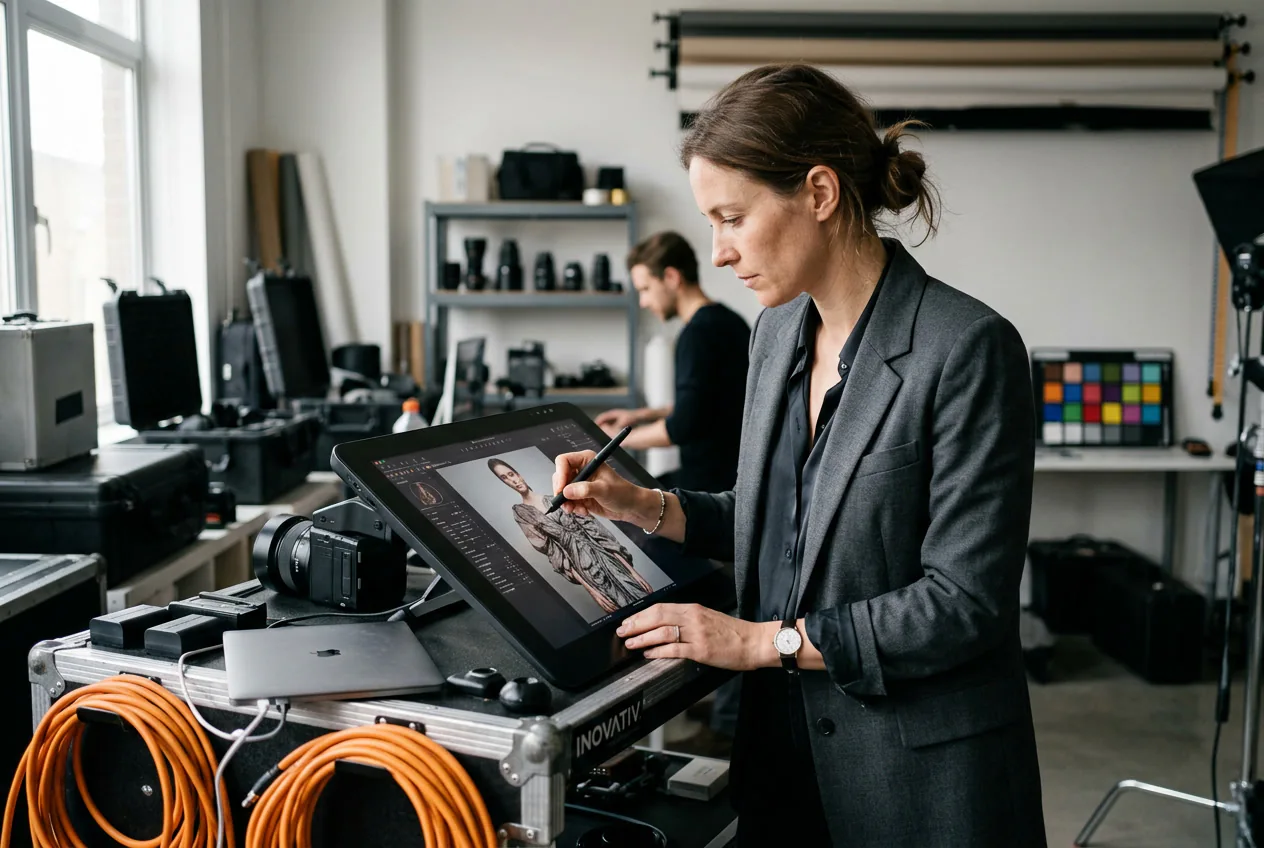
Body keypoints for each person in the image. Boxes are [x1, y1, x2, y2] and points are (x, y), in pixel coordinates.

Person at [552, 63, 1045, 847]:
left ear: (819, 194)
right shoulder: (777, 333)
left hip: (913, 777)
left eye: (732, 218)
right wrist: (646, 505)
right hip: (780, 751)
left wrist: (758, 642)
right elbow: (784, 523)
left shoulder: (966, 349)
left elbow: (965, 603)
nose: (716, 253)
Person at [595, 231, 750, 494]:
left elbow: (681, 428)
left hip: (712, 487)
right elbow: (705, 405)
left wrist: (614, 440)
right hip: (732, 475)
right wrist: (639, 415)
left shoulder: (697, 336)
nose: (643, 302)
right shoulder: (729, 321)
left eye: (645, 289)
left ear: (671, 277)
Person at [488, 458, 651, 613]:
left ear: (518, 474)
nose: (513, 480)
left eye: (511, 474)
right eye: (505, 478)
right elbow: (555, 554)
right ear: (504, 483)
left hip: (606, 556)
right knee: (624, 611)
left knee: (645, 598)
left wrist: (632, 572)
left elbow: (598, 534)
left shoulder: (556, 499)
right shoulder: (522, 513)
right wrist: (592, 591)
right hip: (585, 570)